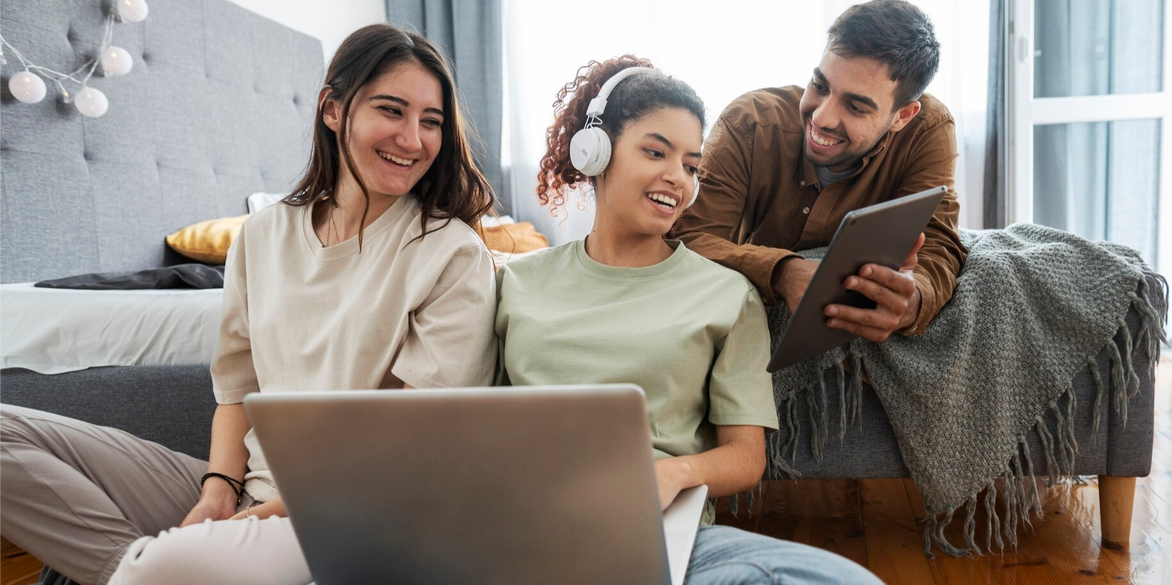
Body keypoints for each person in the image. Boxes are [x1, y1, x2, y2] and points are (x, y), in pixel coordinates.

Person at [0, 24, 497, 585]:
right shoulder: (262, 234)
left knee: (159, 567)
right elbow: (237, 390)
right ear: (333, 110)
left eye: (431, 121)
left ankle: (146, 571)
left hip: (347, 511)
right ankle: (140, 570)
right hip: (247, 487)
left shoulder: (452, 254)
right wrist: (218, 493)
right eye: (392, 110)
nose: (412, 139)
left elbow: (411, 450)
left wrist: (249, 523)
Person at [495, 56, 882, 584]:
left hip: (663, 534)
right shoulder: (516, 283)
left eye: (692, 165)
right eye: (655, 152)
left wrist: (672, 473)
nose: (677, 178)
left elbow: (746, 457)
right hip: (528, 532)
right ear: (595, 151)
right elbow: (470, 425)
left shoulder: (727, 294)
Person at [672, 0, 967, 342]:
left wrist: (912, 301)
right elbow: (689, 239)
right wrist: (783, 272)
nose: (822, 118)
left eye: (855, 107)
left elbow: (939, 241)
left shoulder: (928, 129)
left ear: (902, 116)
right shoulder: (748, 123)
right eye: (819, 85)